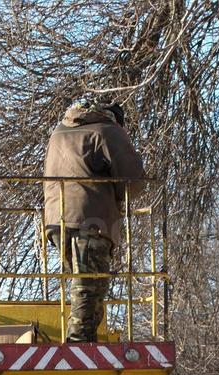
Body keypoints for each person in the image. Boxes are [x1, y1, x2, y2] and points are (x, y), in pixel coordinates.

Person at [43, 94, 147, 342]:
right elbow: (133, 183)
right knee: (90, 288)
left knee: (82, 285)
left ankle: (80, 340)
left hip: (57, 221)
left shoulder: (59, 132)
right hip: (92, 220)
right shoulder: (107, 130)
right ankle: (78, 346)